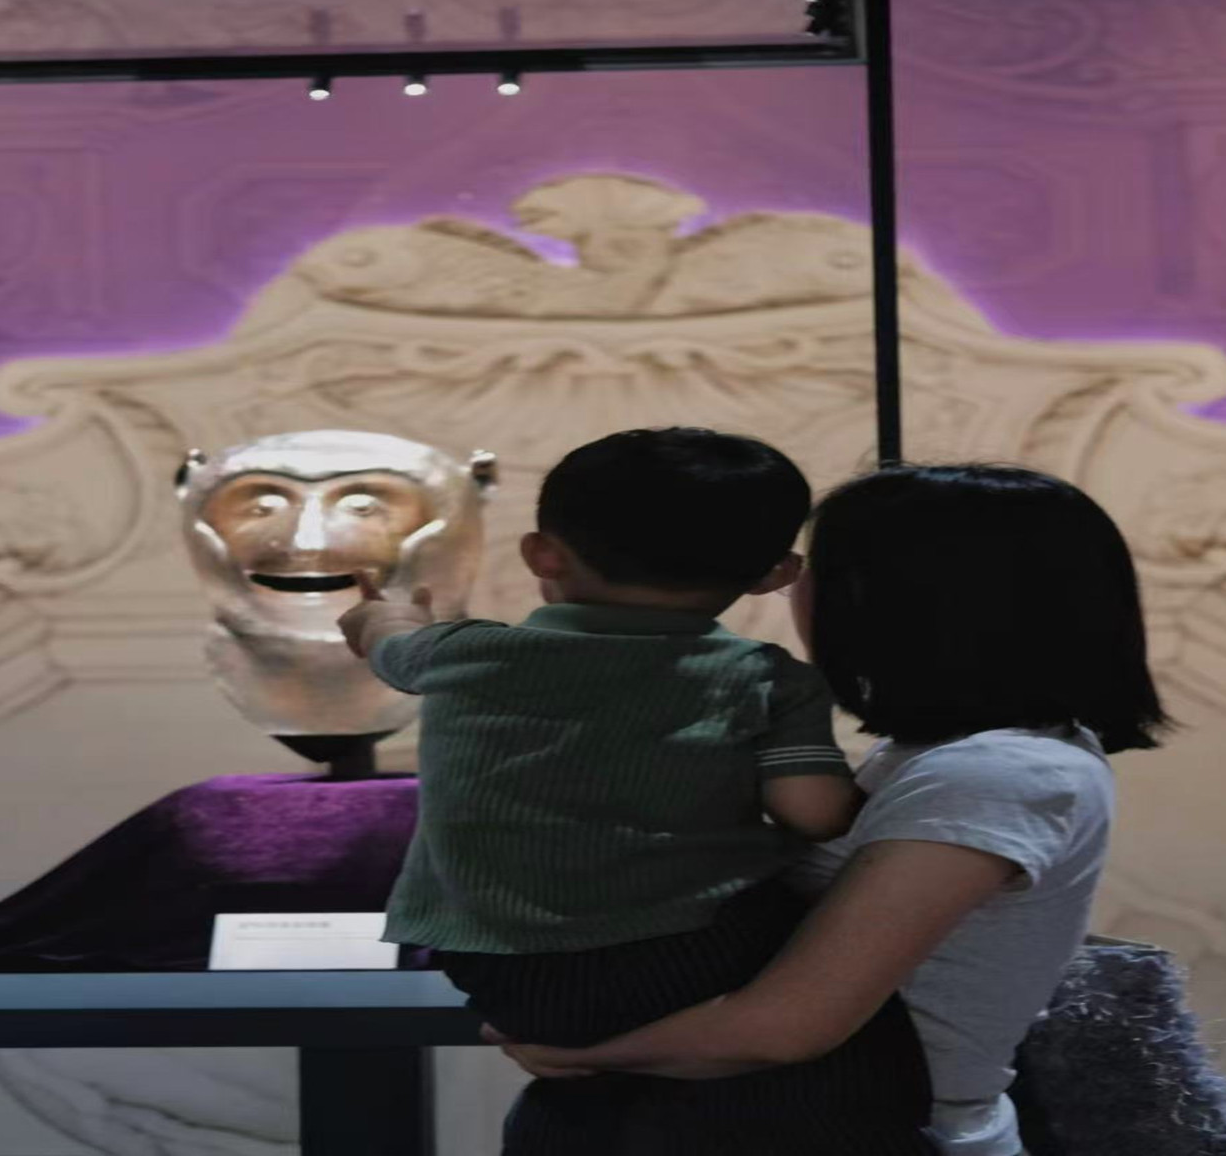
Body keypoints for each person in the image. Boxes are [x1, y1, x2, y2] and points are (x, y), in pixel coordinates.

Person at [491, 463, 1170, 1156]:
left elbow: (785, 1025)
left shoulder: (997, 773)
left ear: (901, 596)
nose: (797, 589)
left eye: (818, 569)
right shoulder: (940, 755)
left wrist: (584, 1054)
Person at [338, 428, 935, 1156]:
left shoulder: (462, 652)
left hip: (500, 965)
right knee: (845, 1057)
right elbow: (812, 812)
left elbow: (389, 640)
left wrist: (379, 615)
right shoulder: (765, 677)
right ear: (775, 573)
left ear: (542, 554)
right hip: (685, 951)